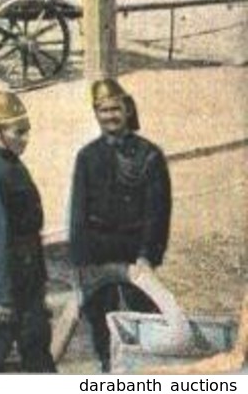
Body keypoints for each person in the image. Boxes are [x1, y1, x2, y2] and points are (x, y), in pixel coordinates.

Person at [68, 78, 172, 372]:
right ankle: (107, 370)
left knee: (146, 324)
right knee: (102, 326)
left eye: (115, 109)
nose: (110, 116)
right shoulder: (87, 157)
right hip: (98, 257)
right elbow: (78, 214)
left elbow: (158, 212)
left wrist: (147, 256)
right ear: (95, 113)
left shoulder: (150, 155)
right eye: (103, 110)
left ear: (127, 110)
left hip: (135, 255)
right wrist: (80, 264)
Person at [0, 90, 55, 372]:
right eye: (19, 132)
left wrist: (38, 277)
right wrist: (1, 297)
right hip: (1, 279)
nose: (25, 138)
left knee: (37, 346)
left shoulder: (10, 164)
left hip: (25, 273)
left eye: (27, 131)